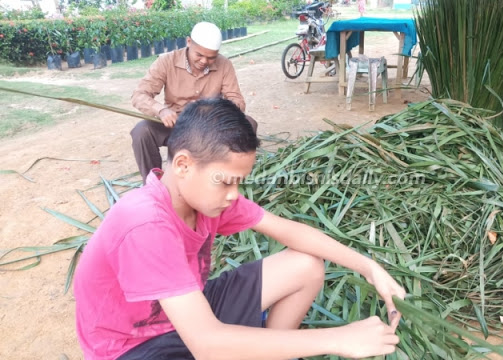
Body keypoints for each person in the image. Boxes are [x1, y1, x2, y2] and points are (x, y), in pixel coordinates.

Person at [74, 98, 406, 360]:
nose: (234, 194)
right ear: (183, 165)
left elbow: (290, 231)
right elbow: (207, 346)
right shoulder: (145, 223)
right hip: (135, 346)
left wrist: (369, 267)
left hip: (189, 311)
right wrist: (338, 339)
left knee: (305, 265)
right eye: (226, 181)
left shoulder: (207, 198)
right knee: (217, 347)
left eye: (239, 182)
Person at [130, 21, 257, 183]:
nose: (204, 61)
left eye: (211, 57)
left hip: (211, 127)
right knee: (142, 131)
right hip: (176, 125)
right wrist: (161, 110)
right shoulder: (166, 61)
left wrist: (220, 112)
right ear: (188, 42)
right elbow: (139, 95)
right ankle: (153, 184)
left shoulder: (224, 64)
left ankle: (227, 177)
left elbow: (237, 100)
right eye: (199, 55)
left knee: (248, 123)